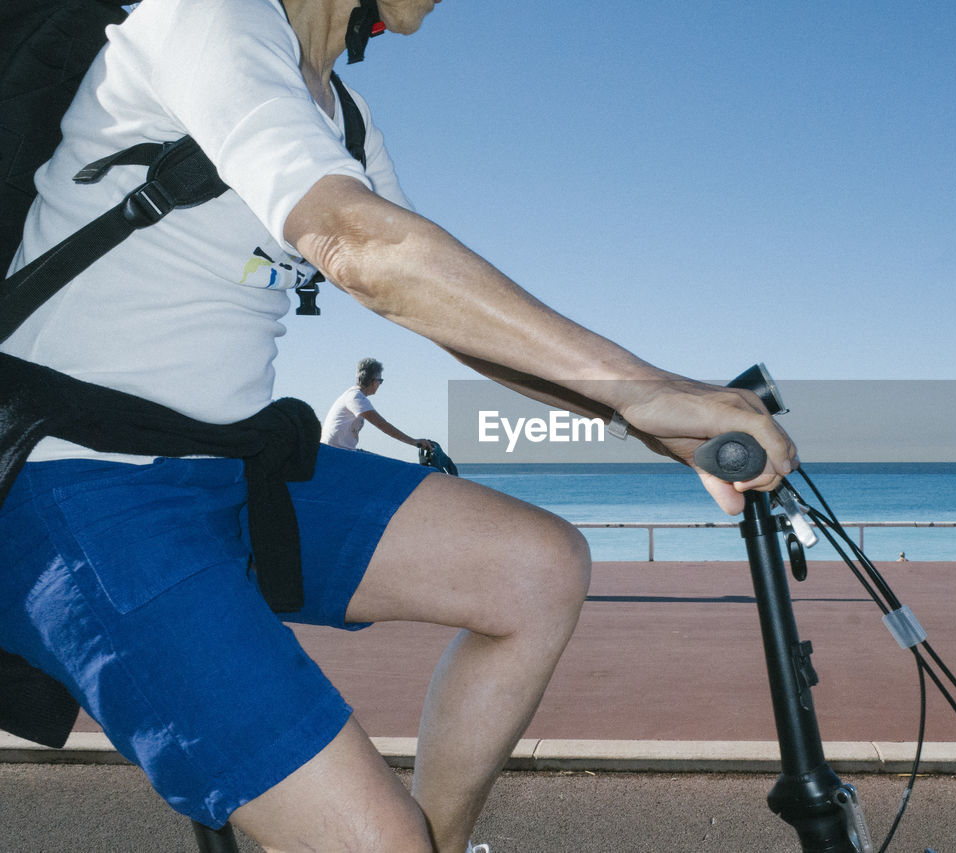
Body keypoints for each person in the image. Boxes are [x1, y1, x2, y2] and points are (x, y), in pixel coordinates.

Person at [0, 1, 797, 851]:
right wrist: (644, 389)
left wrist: (653, 423)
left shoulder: (343, 114)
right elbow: (355, 243)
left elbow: (443, 311)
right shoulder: (207, 16)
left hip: (228, 473)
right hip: (76, 487)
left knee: (536, 566)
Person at [321, 357, 431, 453]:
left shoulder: (354, 395)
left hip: (342, 450)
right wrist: (414, 442)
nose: (380, 384)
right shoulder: (355, 397)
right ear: (372, 381)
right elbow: (382, 425)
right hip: (336, 452)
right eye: (380, 380)